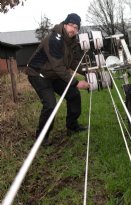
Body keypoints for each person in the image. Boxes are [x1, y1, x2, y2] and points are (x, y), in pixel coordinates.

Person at [27, 13, 90, 144]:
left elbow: (72, 62)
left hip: (53, 75)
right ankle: (41, 138)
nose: (73, 29)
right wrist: (76, 82)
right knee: (50, 105)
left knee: (73, 95)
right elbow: (59, 67)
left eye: (76, 27)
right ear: (65, 24)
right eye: (71, 25)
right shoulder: (54, 39)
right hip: (38, 74)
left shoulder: (71, 41)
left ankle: (72, 127)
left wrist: (87, 71)